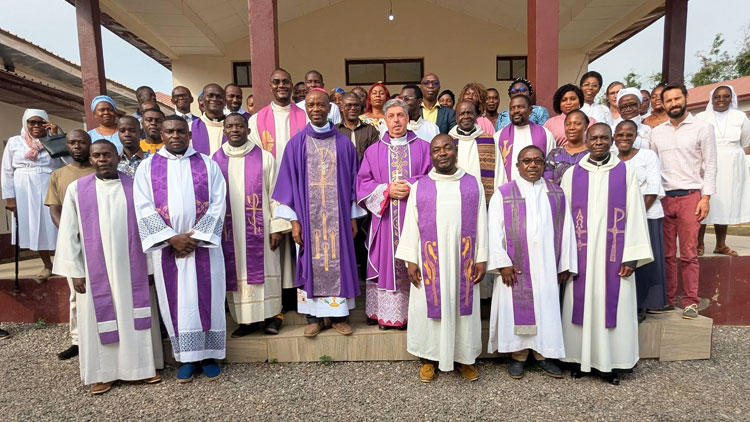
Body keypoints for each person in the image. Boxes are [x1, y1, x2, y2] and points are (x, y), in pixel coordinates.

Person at [53, 139, 163, 395]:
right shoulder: (77, 190)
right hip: (94, 271)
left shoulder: (135, 187)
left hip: (132, 268)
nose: (102, 159)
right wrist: (75, 272)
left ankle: (143, 368)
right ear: (90, 159)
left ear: (117, 157)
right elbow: (68, 232)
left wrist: (149, 267)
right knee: (97, 318)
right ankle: (102, 374)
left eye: (107, 155)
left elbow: (148, 228)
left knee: (135, 316)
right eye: (97, 155)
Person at [133, 115, 227, 382]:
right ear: (161, 135)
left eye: (180, 131)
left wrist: (195, 238)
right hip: (169, 250)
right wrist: (171, 238)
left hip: (203, 248)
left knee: (209, 299)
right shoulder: (147, 167)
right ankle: (186, 358)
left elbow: (219, 203)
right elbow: (143, 206)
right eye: (170, 131)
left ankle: (209, 356)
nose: (175, 135)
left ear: (189, 134)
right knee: (177, 303)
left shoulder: (207, 164)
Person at [560, 123, 652, 385]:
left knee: (613, 307)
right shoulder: (572, 174)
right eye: (594, 138)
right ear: (586, 141)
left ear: (611, 140)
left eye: (603, 138)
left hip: (615, 256)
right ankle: (579, 359)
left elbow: (636, 214)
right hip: (581, 257)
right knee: (579, 305)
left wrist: (631, 256)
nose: (599, 142)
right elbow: (564, 220)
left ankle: (610, 363)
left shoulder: (625, 172)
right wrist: (566, 257)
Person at [395, 134, 487, 382]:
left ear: (456, 152)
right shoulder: (420, 186)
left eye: (447, 148)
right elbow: (411, 224)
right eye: (437, 150)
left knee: (463, 309)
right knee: (428, 307)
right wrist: (411, 260)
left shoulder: (472, 184)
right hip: (430, 260)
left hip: (463, 259)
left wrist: (481, 257)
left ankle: (465, 358)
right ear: (431, 155)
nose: (443, 153)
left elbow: (482, 222)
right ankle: (428, 358)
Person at [272, 89, 365, 337]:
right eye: (311, 105)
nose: (316, 109)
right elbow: (288, 185)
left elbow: (353, 183)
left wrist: (353, 216)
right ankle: (313, 317)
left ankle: (338, 317)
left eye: (321, 105)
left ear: (329, 108)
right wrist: (294, 222)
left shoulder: (344, 144)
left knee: (339, 261)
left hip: (339, 220)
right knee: (309, 263)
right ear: (306, 108)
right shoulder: (296, 144)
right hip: (307, 220)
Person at [487, 145, 576, 379]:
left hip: (547, 266)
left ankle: (543, 354)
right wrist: (502, 263)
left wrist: (564, 264)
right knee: (516, 310)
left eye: (538, 160)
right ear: (518, 165)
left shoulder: (556, 194)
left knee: (545, 308)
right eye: (527, 161)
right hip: (514, 268)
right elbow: (493, 231)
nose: (533, 165)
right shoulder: (503, 193)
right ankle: (518, 355)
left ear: (544, 164)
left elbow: (567, 230)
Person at [356, 98, 432, 330]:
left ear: (408, 118)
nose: (396, 120)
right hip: (385, 219)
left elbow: (433, 178)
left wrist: (410, 185)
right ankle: (388, 315)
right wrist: (386, 190)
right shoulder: (373, 151)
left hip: (415, 218)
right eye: (391, 116)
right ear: (384, 120)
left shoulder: (424, 147)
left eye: (400, 115)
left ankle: (416, 314)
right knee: (386, 261)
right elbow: (362, 184)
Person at [213, 113, 290, 337]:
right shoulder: (214, 161)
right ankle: (245, 321)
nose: (235, 130)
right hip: (230, 232)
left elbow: (276, 194)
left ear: (248, 130)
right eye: (230, 126)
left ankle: (273, 315)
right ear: (224, 131)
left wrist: (277, 226)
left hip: (261, 228)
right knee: (236, 271)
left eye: (239, 126)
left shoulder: (265, 158)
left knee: (267, 269)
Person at [651, 84, 717, 319]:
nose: (673, 104)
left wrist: (706, 197)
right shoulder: (657, 132)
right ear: (663, 104)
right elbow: (653, 166)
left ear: (686, 98)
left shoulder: (702, 128)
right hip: (664, 198)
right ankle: (668, 299)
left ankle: (690, 301)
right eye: (668, 100)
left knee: (689, 253)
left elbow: (710, 164)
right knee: (666, 254)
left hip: (690, 196)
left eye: (677, 98)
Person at [45, 129, 95, 360]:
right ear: (66, 145)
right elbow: (55, 209)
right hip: (73, 241)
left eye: (81, 142)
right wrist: (70, 232)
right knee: (76, 293)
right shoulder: (58, 175)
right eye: (72, 143)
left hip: (100, 238)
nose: (77, 146)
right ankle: (77, 340)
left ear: (89, 144)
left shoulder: (100, 170)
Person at [615, 120, 666, 321]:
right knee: (624, 261)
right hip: (619, 220)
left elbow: (653, 188)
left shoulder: (647, 156)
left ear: (636, 136)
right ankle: (625, 304)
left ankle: (643, 304)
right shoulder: (611, 159)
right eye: (620, 134)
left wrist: (635, 216)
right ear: (614, 137)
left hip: (647, 215)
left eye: (629, 134)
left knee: (644, 261)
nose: (625, 138)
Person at [2, 108, 62, 280]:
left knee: (56, 224)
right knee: (36, 226)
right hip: (24, 190)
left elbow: (67, 160)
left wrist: (56, 138)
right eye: (32, 122)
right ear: (25, 123)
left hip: (50, 185)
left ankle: (64, 263)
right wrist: (10, 199)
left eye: (40, 122)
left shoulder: (54, 140)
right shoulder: (15, 142)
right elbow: (6, 170)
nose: (36, 126)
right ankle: (47, 265)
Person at [696, 85, 750, 256]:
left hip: (731, 165)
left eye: (726, 96)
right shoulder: (701, 117)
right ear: (711, 99)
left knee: (724, 203)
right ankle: (698, 243)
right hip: (706, 163)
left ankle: (720, 244)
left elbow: (745, 143)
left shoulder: (740, 117)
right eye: (717, 96)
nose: (721, 100)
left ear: (731, 98)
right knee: (703, 202)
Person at [449, 100, 505, 204]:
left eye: (469, 113)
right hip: (455, 200)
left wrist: (498, 200)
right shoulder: (449, 142)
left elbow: (499, 172)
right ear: (456, 118)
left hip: (484, 201)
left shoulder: (489, 140)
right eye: (462, 113)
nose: (466, 116)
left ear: (476, 116)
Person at [495, 95, 556, 182]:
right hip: (508, 188)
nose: (516, 111)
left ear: (530, 110)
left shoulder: (545, 134)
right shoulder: (498, 136)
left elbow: (550, 165)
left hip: (538, 187)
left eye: (520, 107)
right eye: (512, 108)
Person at [543, 110, 590, 184]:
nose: (571, 127)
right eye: (568, 124)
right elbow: (548, 182)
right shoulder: (555, 153)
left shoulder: (591, 154)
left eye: (577, 124)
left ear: (586, 126)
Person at [336, 92, 379, 163]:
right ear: (341, 108)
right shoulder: (335, 131)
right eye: (349, 105)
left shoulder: (370, 130)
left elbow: (375, 156)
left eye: (356, 105)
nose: (353, 108)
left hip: (364, 169)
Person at [191, 83, 226, 156]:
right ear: (202, 100)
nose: (214, 99)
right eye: (210, 96)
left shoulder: (234, 126)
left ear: (225, 101)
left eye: (219, 96)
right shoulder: (191, 127)